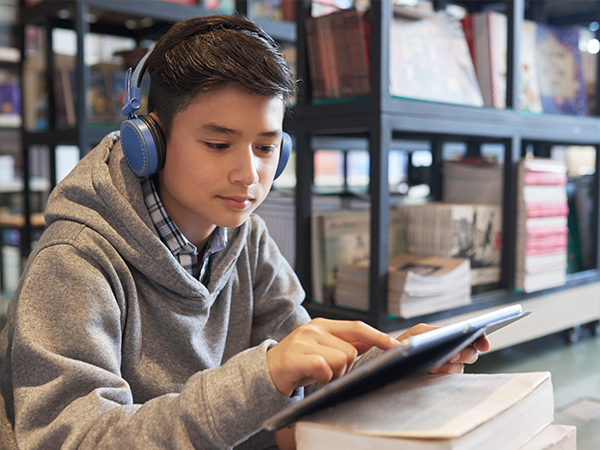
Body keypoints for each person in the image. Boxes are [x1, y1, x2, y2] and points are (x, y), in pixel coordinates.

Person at [0, 14, 489, 450]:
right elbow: (72, 439)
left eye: (265, 147)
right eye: (218, 143)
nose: (248, 174)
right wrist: (262, 376)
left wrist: (393, 365)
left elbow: (303, 381)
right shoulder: (74, 261)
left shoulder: (246, 238)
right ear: (148, 140)